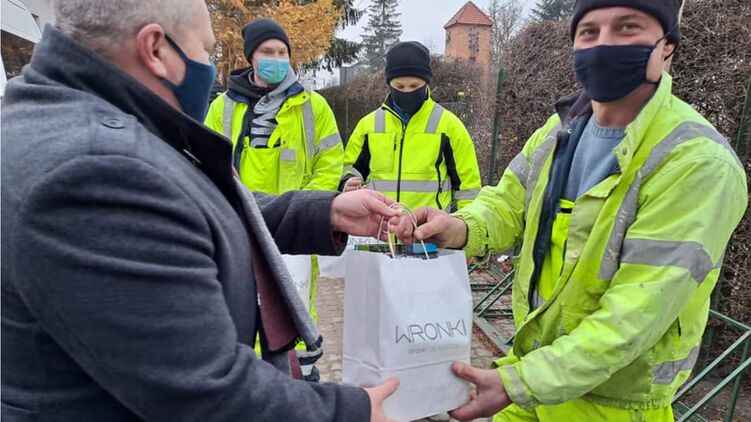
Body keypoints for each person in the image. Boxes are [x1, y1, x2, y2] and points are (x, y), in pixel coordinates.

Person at [1, 1, 400, 420]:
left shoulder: (85, 123)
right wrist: (348, 411)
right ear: (156, 49)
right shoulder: (93, 169)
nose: (210, 66)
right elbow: (201, 390)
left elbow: (193, 207)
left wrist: (325, 211)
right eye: (205, 50)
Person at [395, 1, 748, 421]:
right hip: (533, 375)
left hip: (611, 402)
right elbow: (508, 202)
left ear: (667, 44)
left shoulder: (696, 162)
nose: (604, 45)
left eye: (627, 28)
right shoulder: (561, 128)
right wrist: (459, 227)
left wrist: (520, 383)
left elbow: (634, 316)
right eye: (589, 32)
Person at [205, 20, 343, 381]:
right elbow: (207, 165)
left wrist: (304, 211)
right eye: (268, 52)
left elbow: (330, 164)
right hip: (238, 230)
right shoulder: (222, 108)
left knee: (293, 306)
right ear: (251, 57)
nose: (277, 59)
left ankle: (301, 376)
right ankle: (247, 375)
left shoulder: (313, 107)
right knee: (240, 304)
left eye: (283, 52)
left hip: (295, 231)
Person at [341, 41, 482, 212]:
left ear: (426, 83)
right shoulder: (368, 126)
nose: (407, 92)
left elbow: (468, 186)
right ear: (389, 84)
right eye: (399, 86)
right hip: (379, 224)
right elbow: (349, 168)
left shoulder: (449, 126)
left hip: (429, 226)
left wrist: (464, 223)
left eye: (414, 86)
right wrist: (347, 182)